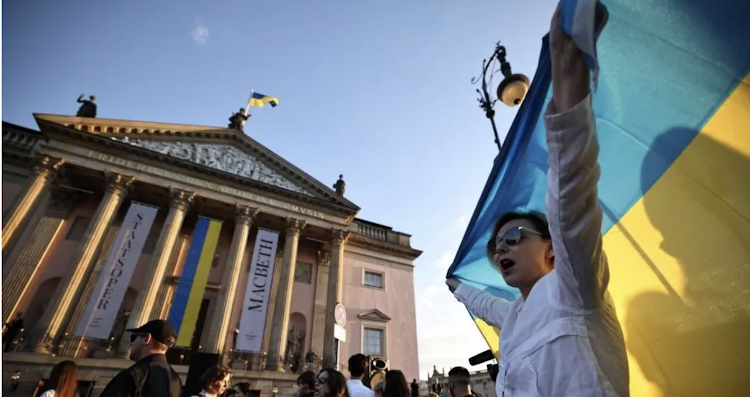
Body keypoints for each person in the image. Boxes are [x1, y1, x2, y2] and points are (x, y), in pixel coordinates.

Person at [446, 8, 628, 397]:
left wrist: (567, 100)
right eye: (498, 246)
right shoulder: (512, 317)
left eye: (514, 235)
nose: (503, 247)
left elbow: (571, 202)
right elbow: (484, 303)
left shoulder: (573, 285)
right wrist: (456, 287)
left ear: (551, 248)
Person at [99, 320, 182, 397]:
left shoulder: (133, 375)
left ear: (147, 339)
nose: (131, 343)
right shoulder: (176, 381)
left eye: (134, 337)